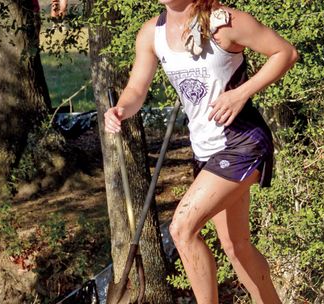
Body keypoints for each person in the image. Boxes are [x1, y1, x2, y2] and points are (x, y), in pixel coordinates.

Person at [104, 0, 298, 303]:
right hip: (206, 149)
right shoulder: (150, 34)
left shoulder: (226, 22)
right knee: (236, 246)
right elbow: (136, 90)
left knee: (181, 229)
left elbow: (285, 52)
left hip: (242, 142)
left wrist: (240, 93)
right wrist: (119, 110)